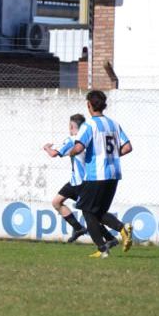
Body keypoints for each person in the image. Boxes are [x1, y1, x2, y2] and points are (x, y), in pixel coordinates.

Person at [68, 90, 134, 258]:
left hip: (97, 175)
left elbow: (79, 147)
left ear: (89, 105)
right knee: (98, 212)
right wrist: (110, 155)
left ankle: (103, 248)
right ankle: (121, 229)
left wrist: (71, 152)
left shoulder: (88, 125)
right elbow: (127, 147)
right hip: (114, 174)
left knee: (86, 210)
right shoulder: (113, 124)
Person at [43, 113, 88, 243]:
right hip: (80, 181)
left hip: (79, 183)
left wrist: (46, 148)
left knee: (92, 214)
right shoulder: (87, 139)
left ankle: (111, 236)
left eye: (69, 126)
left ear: (72, 126)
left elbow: (53, 154)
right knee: (56, 202)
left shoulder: (71, 140)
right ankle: (78, 228)